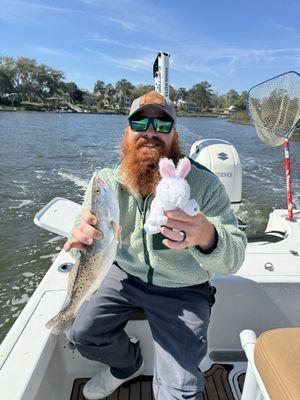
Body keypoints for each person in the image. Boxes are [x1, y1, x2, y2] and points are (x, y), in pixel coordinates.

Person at [64, 91, 247, 400]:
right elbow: (88, 225)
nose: (150, 131)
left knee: (181, 390)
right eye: (140, 122)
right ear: (127, 130)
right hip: (121, 274)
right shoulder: (106, 180)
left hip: (184, 288)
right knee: (81, 334)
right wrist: (81, 234)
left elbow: (234, 259)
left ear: (174, 133)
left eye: (162, 124)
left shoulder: (204, 184)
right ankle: (127, 365)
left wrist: (207, 236)